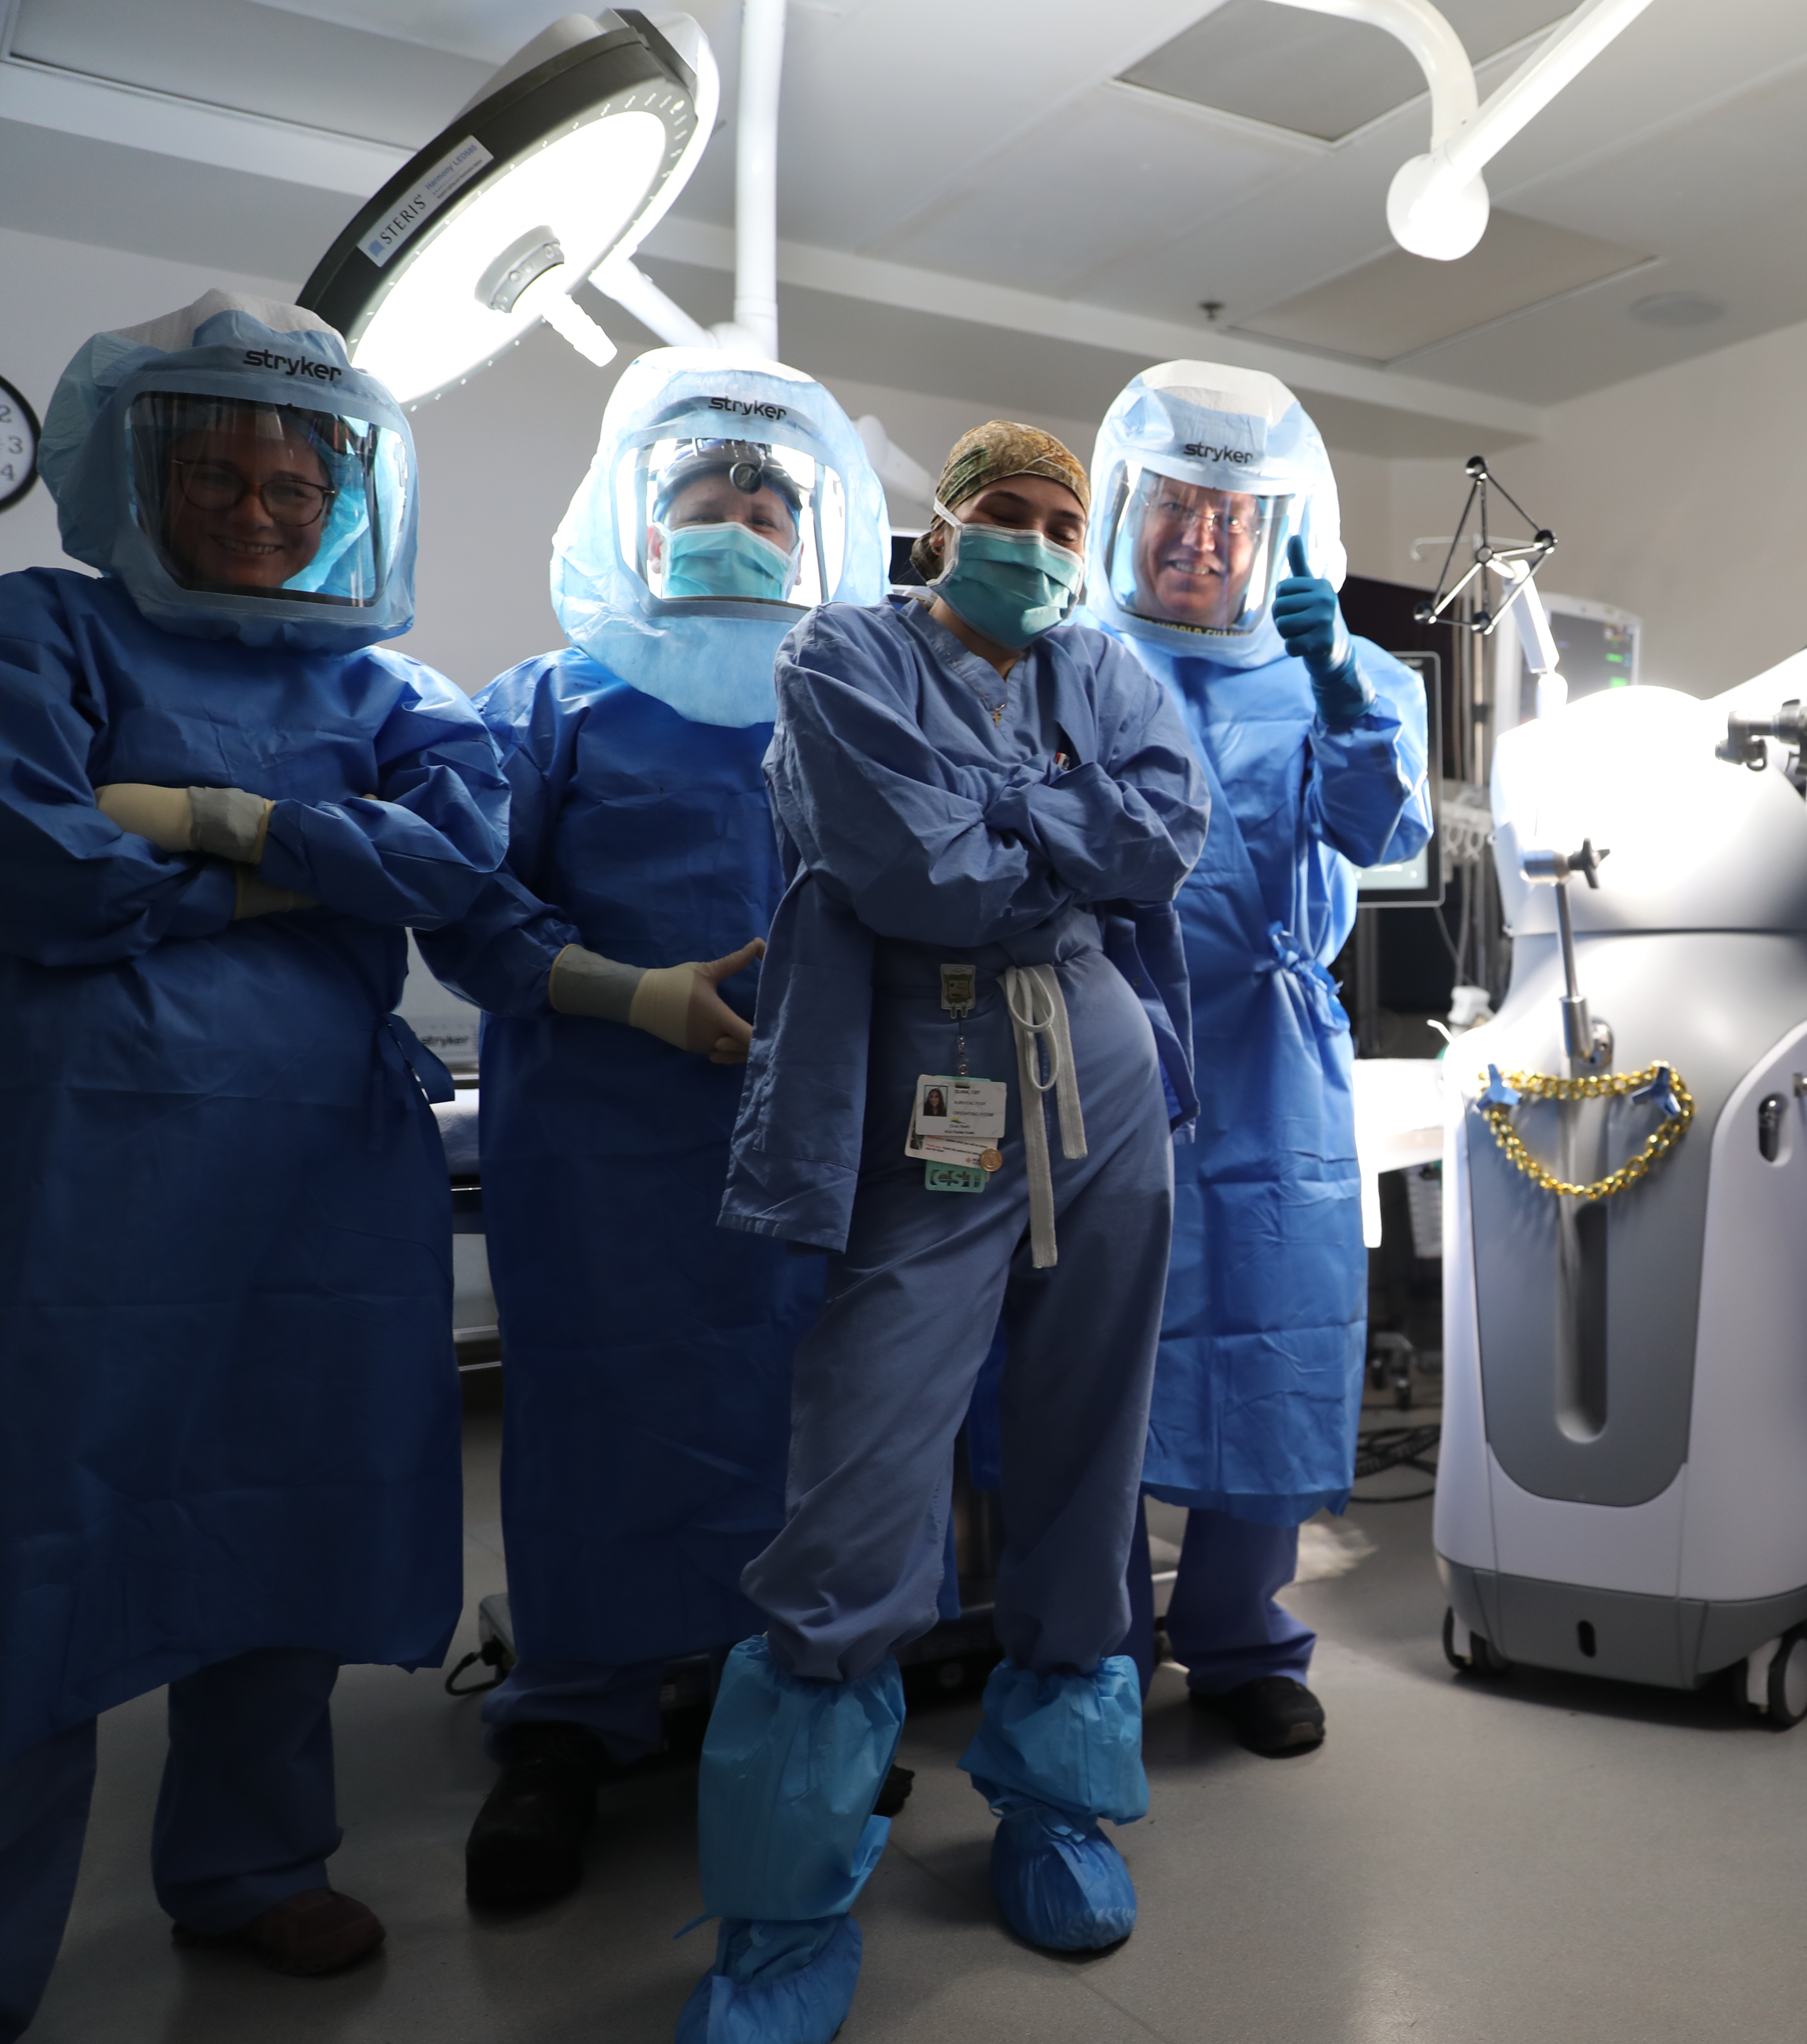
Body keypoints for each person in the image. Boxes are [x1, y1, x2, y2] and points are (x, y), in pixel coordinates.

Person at [0, 292, 507, 2032]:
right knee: (41, 1537)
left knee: (288, 1512)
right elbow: (40, 867)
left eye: (295, 487)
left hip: (326, 1181)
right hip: (90, 1175)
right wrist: (301, 873)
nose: (260, 511)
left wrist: (196, 829)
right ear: (131, 474)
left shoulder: (393, 684)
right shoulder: (47, 635)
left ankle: (251, 1866)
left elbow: (454, 857)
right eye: (213, 475)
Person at [674, 420, 1204, 2043]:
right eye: (1004, 516)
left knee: (1088, 1448)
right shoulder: (841, 654)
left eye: (1063, 525)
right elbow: (916, 874)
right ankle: (781, 1915)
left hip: (1103, 1065)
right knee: (859, 1486)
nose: (1037, 546)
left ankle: (1057, 1809)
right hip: (939, 1083)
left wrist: (1011, 815)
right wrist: (1058, 817)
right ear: (941, 525)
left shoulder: (1105, 666)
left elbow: (1164, 831)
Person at [418, 352, 889, 1907]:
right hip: (601, 1149)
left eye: (769, 496)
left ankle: (801, 1706)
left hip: (817, 1148)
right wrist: (633, 997)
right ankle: (570, 1726)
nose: (740, 515)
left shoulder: (850, 713)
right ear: (640, 517)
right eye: (707, 492)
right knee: (595, 1426)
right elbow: (472, 919)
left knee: (802, 1428)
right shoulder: (549, 706)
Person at [1083, 362, 1432, 1759]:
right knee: (1093, 1366)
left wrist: (1341, 678)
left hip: (1274, 1059)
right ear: (1126, 510)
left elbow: (1383, 834)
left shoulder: (1342, 672)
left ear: (1284, 535)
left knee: (1276, 1347)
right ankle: (1097, 1649)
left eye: (1237, 517)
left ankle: (1242, 1642)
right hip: (1104, 1048)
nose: (1204, 540)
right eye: (1177, 506)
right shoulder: (1073, 661)